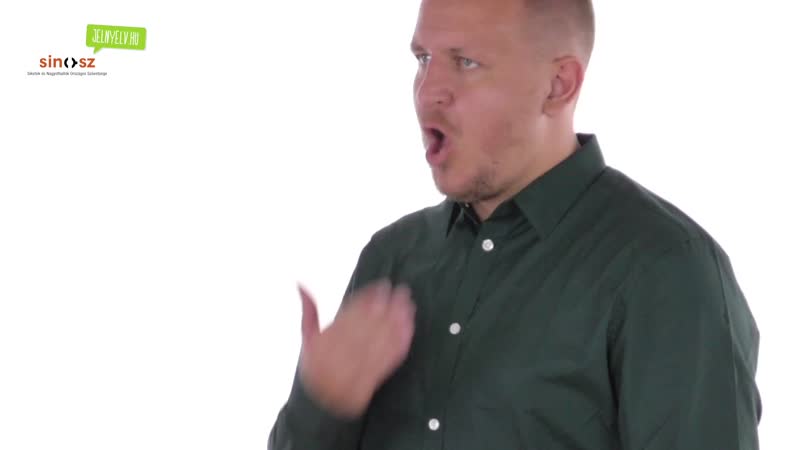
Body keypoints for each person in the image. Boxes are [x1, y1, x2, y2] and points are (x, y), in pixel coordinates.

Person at [268, 0, 762, 448]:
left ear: (558, 85)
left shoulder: (666, 269)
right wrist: (321, 406)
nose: (428, 92)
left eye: (466, 62)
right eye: (423, 58)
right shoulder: (392, 257)